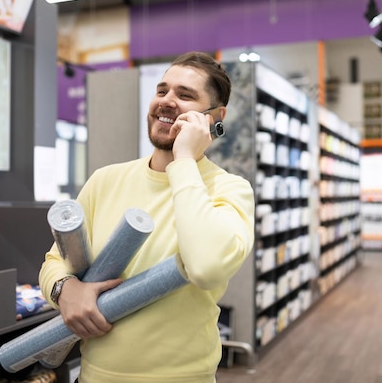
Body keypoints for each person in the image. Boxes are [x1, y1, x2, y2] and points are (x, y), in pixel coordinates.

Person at [39, 51, 255, 383]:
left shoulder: (229, 189)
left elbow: (206, 267)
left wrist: (184, 160)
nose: (167, 101)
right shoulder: (105, 180)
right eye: (162, 91)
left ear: (215, 117)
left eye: (185, 95)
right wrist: (64, 289)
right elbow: (54, 261)